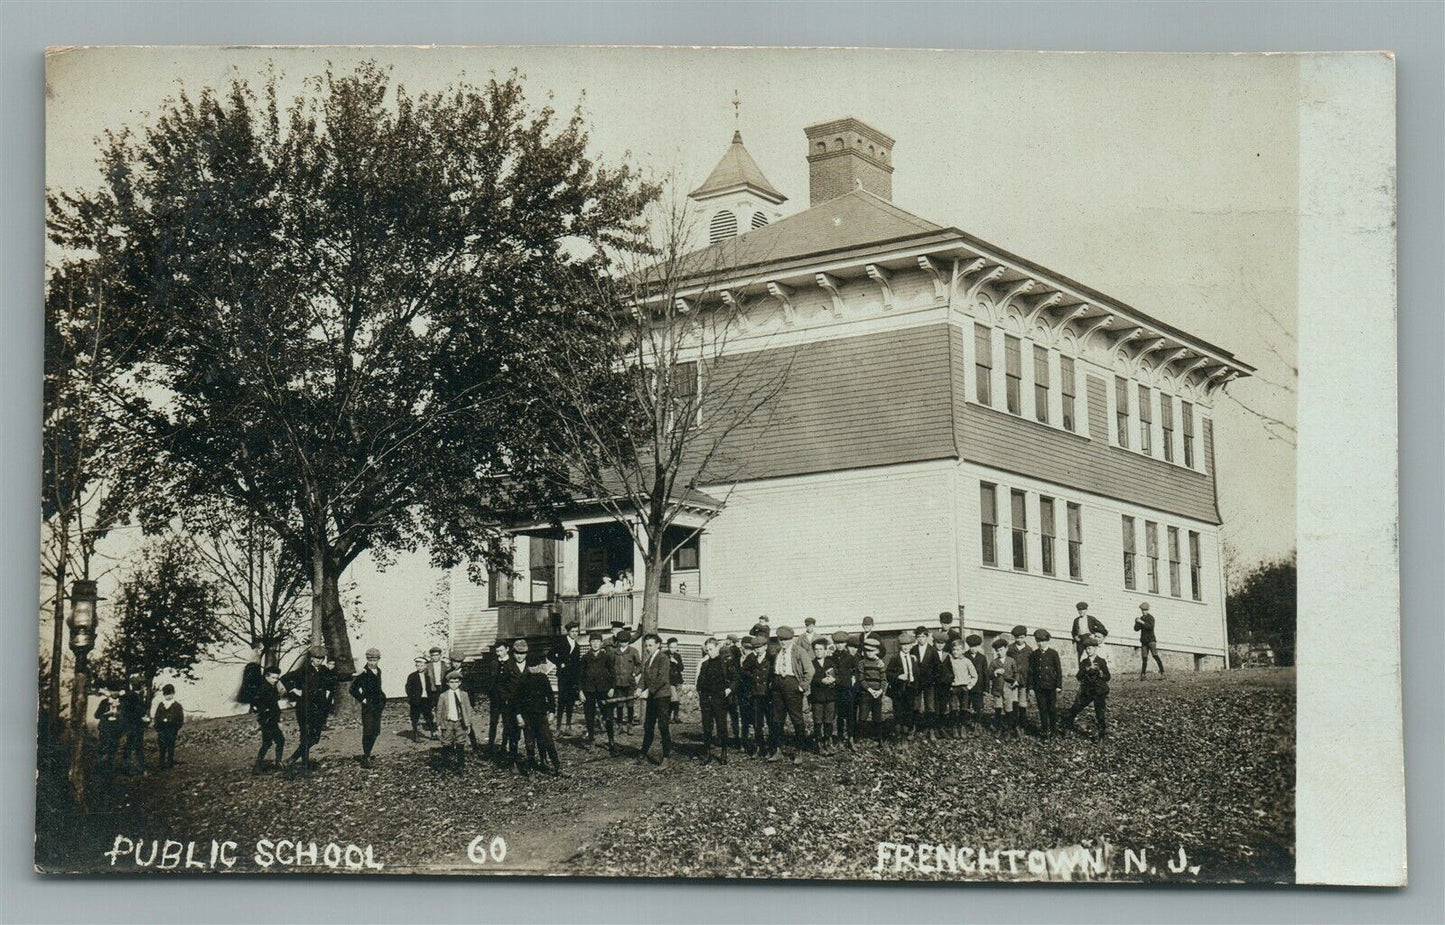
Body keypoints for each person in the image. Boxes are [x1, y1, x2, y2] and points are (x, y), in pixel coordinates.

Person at [281, 648, 334, 770]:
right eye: (317, 659)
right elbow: (284, 678)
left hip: (318, 708)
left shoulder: (324, 670)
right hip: (304, 707)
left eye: (321, 659)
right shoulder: (303, 670)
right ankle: (302, 763)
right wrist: (294, 690)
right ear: (311, 658)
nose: (319, 661)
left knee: (315, 738)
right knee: (305, 735)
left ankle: (292, 759)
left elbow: (336, 677)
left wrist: (354, 674)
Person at [768, 626, 813, 763]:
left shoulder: (799, 651)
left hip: (792, 686)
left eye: (786, 640)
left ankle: (799, 751)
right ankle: (778, 751)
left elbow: (810, 670)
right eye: (781, 640)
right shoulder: (777, 652)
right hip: (777, 687)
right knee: (777, 720)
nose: (783, 642)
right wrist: (772, 683)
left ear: (792, 639)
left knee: (796, 719)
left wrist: (802, 686)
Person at [516, 657, 561, 776]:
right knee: (530, 743)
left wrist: (552, 712)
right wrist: (519, 716)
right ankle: (531, 769)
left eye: (536, 666)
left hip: (541, 715)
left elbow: (550, 696)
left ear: (539, 666)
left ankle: (557, 766)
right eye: (531, 667)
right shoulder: (523, 679)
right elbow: (517, 700)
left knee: (548, 741)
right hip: (527, 716)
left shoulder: (543, 678)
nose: (534, 669)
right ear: (528, 668)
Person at [695, 637, 734, 765]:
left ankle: (723, 752)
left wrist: (729, 690)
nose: (709, 652)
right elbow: (700, 681)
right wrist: (701, 694)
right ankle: (707, 753)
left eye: (711, 649)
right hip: (707, 699)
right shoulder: (705, 664)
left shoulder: (725, 663)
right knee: (707, 727)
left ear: (717, 647)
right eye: (707, 650)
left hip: (719, 699)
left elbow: (736, 678)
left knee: (721, 726)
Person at [1064, 635, 1112, 739]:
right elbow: (1078, 676)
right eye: (1086, 648)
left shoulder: (1101, 661)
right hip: (1087, 691)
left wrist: (1100, 673)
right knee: (1076, 708)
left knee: (1100, 713)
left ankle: (1102, 734)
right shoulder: (1084, 662)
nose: (1088, 650)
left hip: (1099, 690)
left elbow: (1108, 676)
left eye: (1090, 648)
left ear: (1095, 648)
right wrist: (1086, 670)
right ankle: (1068, 727)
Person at [637, 634, 673, 767]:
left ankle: (666, 756)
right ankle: (643, 751)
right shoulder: (648, 661)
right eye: (646, 645)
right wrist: (640, 688)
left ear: (658, 645)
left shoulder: (663, 658)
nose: (647, 648)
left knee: (663, 726)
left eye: (650, 645)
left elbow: (662, 679)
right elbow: (643, 678)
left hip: (662, 696)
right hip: (652, 696)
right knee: (648, 725)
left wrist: (648, 690)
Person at [579, 632, 616, 752]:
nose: (595, 644)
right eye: (592, 642)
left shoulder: (606, 657)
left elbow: (613, 674)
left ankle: (611, 741)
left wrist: (612, 688)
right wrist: (580, 691)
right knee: (589, 717)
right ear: (589, 643)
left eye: (597, 642)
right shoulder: (585, 658)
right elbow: (580, 676)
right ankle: (591, 742)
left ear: (601, 643)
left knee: (608, 716)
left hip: (603, 690)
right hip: (588, 691)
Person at [349, 647, 386, 767]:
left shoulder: (379, 671)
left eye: (375, 660)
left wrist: (382, 699)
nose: (372, 662)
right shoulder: (363, 672)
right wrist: (363, 699)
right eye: (370, 660)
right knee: (368, 731)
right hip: (368, 706)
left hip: (378, 705)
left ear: (378, 660)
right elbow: (352, 689)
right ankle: (366, 756)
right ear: (367, 659)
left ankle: (368, 753)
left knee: (376, 731)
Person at [1028, 629, 1063, 739]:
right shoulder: (1034, 654)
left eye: (1042, 641)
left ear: (1047, 641)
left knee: (1051, 709)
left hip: (1051, 686)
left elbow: (1058, 670)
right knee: (1042, 709)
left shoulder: (1053, 653)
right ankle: (1044, 731)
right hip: (1039, 686)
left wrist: (1058, 685)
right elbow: (1031, 672)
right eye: (1038, 641)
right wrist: (1031, 688)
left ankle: (1053, 730)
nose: (1040, 643)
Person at [499, 640, 528, 768]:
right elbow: (501, 686)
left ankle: (532, 762)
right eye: (517, 653)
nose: (519, 656)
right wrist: (506, 699)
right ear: (513, 653)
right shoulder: (508, 667)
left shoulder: (530, 667)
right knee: (513, 734)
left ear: (526, 653)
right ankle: (513, 762)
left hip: (528, 705)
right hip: (511, 706)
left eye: (522, 653)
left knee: (530, 734)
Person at [435, 669, 473, 769]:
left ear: (460, 683)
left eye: (456, 682)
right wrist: (438, 724)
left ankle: (461, 765)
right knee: (446, 743)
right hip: (447, 722)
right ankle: (445, 764)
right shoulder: (443, 696)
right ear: (447, 683)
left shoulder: (464, 694)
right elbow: (439, 710)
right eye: (451, 682)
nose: (454, 685)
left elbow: (468, 709)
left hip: (460, 722)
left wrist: (468, 723)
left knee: (460, 743)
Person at [551, 621, 583, 735]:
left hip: (572, 678)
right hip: (563, 677)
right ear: (568, 632)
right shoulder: (561, 642)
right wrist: (560, 664)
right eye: (572, 631)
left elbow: (577, 663)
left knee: (570, 701)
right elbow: (550, 655)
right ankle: (558, 727)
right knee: (561, 701)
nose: (575, 634)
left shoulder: (577, 646)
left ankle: (568, 726)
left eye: (576, 631)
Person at [485, 641, 517, 755]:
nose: (499, 653)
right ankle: (490, 746)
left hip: (507, 699)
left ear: (507, 649)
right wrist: (490, 692)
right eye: (497, 651)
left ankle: (504, 746)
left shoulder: (512, 663)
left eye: (501, 651)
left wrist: (510, 696)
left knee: (506, 722)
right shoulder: (493, 663)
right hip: (495, 698)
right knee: (493, 722)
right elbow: (489, 679)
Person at [253, 665, 286, 772]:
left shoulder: (270, 687)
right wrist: (264, 711)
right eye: (273, 678)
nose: (275, 680)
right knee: (275, 741)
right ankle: (263, 765)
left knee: (272, 742)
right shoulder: (264, 688)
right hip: (268, 719)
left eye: (277, 678)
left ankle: (267, 764)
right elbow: (258, 702)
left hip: (270, 719)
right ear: (267, 677)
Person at [807, 638, 837, 754]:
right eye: (816, 649)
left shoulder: (831, 663)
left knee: (829, 720)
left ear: (825, 651)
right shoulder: (811, 664)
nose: (818, 651)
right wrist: (821, 681)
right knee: (818, 720)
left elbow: (838, 675)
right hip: (817, 697)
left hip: (830, 696)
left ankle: (827, 742)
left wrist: (833, 679)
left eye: (821, 649)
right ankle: (818, 744)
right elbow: (809, 678)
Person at [910, 627, 941, 739]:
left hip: (929, 682)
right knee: (915, 705)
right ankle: (913, 728)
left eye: (923, 636)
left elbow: (938, 668)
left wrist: (933, 680)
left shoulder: (932, 650)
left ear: (927, 637)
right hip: (917, 683)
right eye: (918, 637)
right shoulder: (913, 650)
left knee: (930, 706)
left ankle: (931, 729)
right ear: (916, 638)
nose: (921, 639)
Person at [744, 635, 772, 756]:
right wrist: (753, 678)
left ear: (765, 647)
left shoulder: (772, 658)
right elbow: (743, 671)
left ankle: (772, 748)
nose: (757, 650)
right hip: (756, 694)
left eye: (759, 647)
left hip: (768, 695)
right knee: (757, 722)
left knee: (771, 722)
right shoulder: (751, 658)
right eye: (755, 648)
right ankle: (759, 747)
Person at [945, 638, 978, 738]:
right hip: (954, 688)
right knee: (953, 708)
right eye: (954, 649)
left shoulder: (967, 661)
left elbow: (974, 675)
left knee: (964, 708)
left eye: (958, 649)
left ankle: (962, 727)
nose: (955, 652)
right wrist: (949, 686)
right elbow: (946, 674)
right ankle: (954, 728)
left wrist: (969, 686)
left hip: (964, 688)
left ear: (963, 650)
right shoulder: (949, 661)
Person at [886, 634, 917, 738]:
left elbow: (916, 673)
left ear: (911, 645)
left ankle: (908, 730)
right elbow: (888, 673)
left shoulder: (912, 658)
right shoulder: (895, 658)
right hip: (899, 689)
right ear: (900, 646)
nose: (906, 647)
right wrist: (898, 676)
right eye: (903, 645)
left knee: (909, 709)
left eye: (908, 645)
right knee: (898, 710)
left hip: (910, 688)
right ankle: (898, 734)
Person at [831, 631, 858, 750]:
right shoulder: (831, 657)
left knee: (851, 715)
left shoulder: (851, 658)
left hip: (848, 690)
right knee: (840, 715)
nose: (839, 645)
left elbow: (856, 672)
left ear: (846, 644)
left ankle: (851, 738)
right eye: (837, 643)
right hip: (837, 690)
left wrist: (853, 679)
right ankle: (840, 738)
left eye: (842, 643)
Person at [611, 629, 641, 732]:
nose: (624, 643)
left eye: (626, 641)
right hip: (618, 683)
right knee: (619, 705)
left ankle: (629, 725)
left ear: (628, 641)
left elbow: (639, 665)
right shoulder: (615, 652)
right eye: (621, 641)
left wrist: (635, 673)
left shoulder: (633, 651)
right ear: (619, 641)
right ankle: (619, 725)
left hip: (629, 683)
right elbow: (611, 666)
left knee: (630, 705)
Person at [986, 637, 1017, 738]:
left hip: (1008, 687)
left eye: (1001, 650)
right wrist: (995, 673)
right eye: (997, 650)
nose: (999, 652)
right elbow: (989, 674)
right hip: (997, 689)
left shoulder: (1011, 660)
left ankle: (1008, 729)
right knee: (998, 709)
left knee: (1008, 708)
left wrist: (1016, 681)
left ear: (1006, 649)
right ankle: (998, 728)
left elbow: (1016, 673)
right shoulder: (994, 662)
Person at [1006, 626, 1034, 735]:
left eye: (1021, 637)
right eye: (1017, 638)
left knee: (1022, 703)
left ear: (1025, 637)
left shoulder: (1029, 650)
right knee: (1013, 702)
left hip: (1024, 681)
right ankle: (1013, 725)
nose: (1019, 640)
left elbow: (1031, 668)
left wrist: (1030, 685)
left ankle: (1022, 725)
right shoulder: (1010, 649)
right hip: (1012, 681)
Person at [118, 677, 148, 774]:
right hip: (134, 725)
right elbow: (130, 711)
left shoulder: (133, 695)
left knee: (131, 746)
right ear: (140, 686)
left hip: (133, 725)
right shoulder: (132, 696)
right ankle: (135, 768)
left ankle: (129, 767)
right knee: (135, 746)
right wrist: (141, 717)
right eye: (143, 685)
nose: (144, 687)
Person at [153, 684, 184, 770]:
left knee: (171, 746)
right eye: (166, 694)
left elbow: (180, 719)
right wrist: (158, 728)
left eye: (169, 694)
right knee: (162, 746)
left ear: (173, 693)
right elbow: (157, 716)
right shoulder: (161, 705)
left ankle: (170, 762)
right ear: (164, 695)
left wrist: (175, 728)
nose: (168, 696)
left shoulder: (177, 705)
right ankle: (161, 763)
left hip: (171, 729)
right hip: (162, 729)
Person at [963, 634, 990, 734]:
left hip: (978, 687)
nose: (973, 649)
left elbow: (985, 673)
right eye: (971, 646)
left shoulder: (982, 658)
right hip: (967, 686)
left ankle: (977, 724)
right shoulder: (964, 656)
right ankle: (965, 724)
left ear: (979, 647)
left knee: (978, 706)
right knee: (965, 705)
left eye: (975, 647)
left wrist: (986, 688)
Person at [721, 635, 744, 749]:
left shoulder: (732, 664)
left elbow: (736, 677)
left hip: (732, 692)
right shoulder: (721, 663)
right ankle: (727, 738)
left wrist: (730, 688)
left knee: (734, 714)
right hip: (723, 692)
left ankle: (736, 737)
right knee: (724, 716)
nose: (726, 658)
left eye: (728, 656)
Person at [930, 630, 952, 737]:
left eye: (942, 643)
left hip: (944, 685)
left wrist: (949, 679)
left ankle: (941, 727)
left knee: (943, 706)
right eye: (938, 643)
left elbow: (950, 670)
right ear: (934, 642)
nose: (940, 645)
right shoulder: (931, 653)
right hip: (934, 684)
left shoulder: (947, 655)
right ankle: (934, 728)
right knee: (935, 706)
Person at [405, 656, 434, 739]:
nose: (420, 667)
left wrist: (430, 699)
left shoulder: (427, 676)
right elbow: (408, 688)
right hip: (416, 700)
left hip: (426, 699)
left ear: (425, 666)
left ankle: (433, 734)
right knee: (415, 718)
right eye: (418, 665)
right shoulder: (412, 676)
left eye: (422, 665)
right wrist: (412, 698)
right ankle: (415, 735)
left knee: (429, 717)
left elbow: (429, 688)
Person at [1134, 602, 1165, 678]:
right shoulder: (1141, 618)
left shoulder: (1151, 618)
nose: (1143, 611)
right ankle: (1143, 674)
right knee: (1144, 658)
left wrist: (1141, 622)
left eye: (1145, 610)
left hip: (1151, 640)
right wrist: (1136, 622)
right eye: (1142, 610)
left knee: (1155, 655)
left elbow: (1150, 627)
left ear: (1148, 610)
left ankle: (1162, 672)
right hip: (1144, 641)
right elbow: (1136, 629)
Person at [94, 687, 121, 770]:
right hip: (106, 726)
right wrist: (106, 714)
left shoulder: (122, 703)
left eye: (117, 691)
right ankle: (99, 765)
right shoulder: (104, 702)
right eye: (112, 691)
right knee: (103, 745)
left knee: (114, 747)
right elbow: (97, 715)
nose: (114, 693)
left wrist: (119, 714)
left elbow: (126, 715)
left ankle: (110, 766)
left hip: (116, 727)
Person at [237, 640, 265, 712]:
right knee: (254, 691)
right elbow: (254, 663)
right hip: (253, 671)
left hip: (253, 670)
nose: (261, 646)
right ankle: (253, 708)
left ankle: (253, 708)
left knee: (254, 691)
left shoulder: (256, 652)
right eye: (260, 644)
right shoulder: (256, 652)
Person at [666, 637, 685, 722]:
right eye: (671, 647)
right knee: (674, 698)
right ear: (668, 646)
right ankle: (669, 716)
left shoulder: (678, 656)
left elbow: (681, 668)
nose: (673, 649)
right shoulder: (664, 655)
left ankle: (675, 717)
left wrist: (676, 662)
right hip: (670, 680)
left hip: (678, 680)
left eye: (675, 647)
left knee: (677, 699)